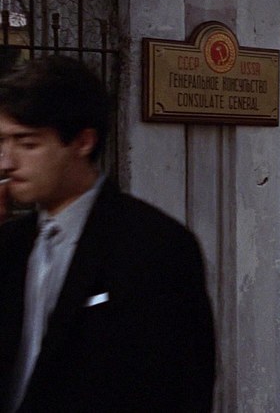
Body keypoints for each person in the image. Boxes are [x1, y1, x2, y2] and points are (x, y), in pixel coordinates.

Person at [0, 56, 216, 412]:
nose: (7, 162)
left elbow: (180, 386)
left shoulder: (155, 246)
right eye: (4, 142)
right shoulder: (11, 244)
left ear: (83, 142)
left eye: (27, 143)